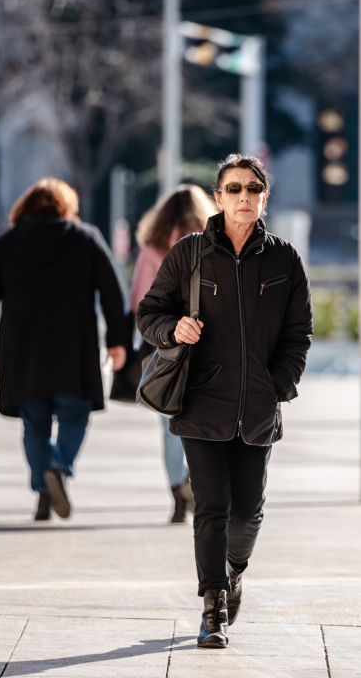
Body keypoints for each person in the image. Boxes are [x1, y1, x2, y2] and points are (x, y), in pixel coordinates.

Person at [137, 154, 313, 648]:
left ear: (264, 197)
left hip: (258, 406)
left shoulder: (284, 259)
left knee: (248, 512)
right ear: (218, 198)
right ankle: (212, 605)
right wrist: (173, 328)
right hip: (201, 402)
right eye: (233, 189)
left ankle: (235, 570)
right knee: (211, 508)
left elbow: (299, 332)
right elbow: (150, 312)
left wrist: (277, 385)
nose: (243, 197)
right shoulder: (190, 253)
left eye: (252, 188)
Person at [0, 178, 128, 522]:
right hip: (74, 348)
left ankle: (43, 493)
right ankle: (59, 466)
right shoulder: (85, 239)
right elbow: (112, 292)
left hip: (22, 352)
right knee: (75, 415)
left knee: (35, 423)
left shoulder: (4, 244)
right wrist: (117, 340)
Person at [131, 184, 217, 523]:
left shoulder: (152, 247)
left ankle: (178, 490)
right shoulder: (212, 244)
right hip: (208, 344)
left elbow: (140, 302)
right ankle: (197, 481)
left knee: (169, 421)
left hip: (165, 348)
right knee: (206, 420)